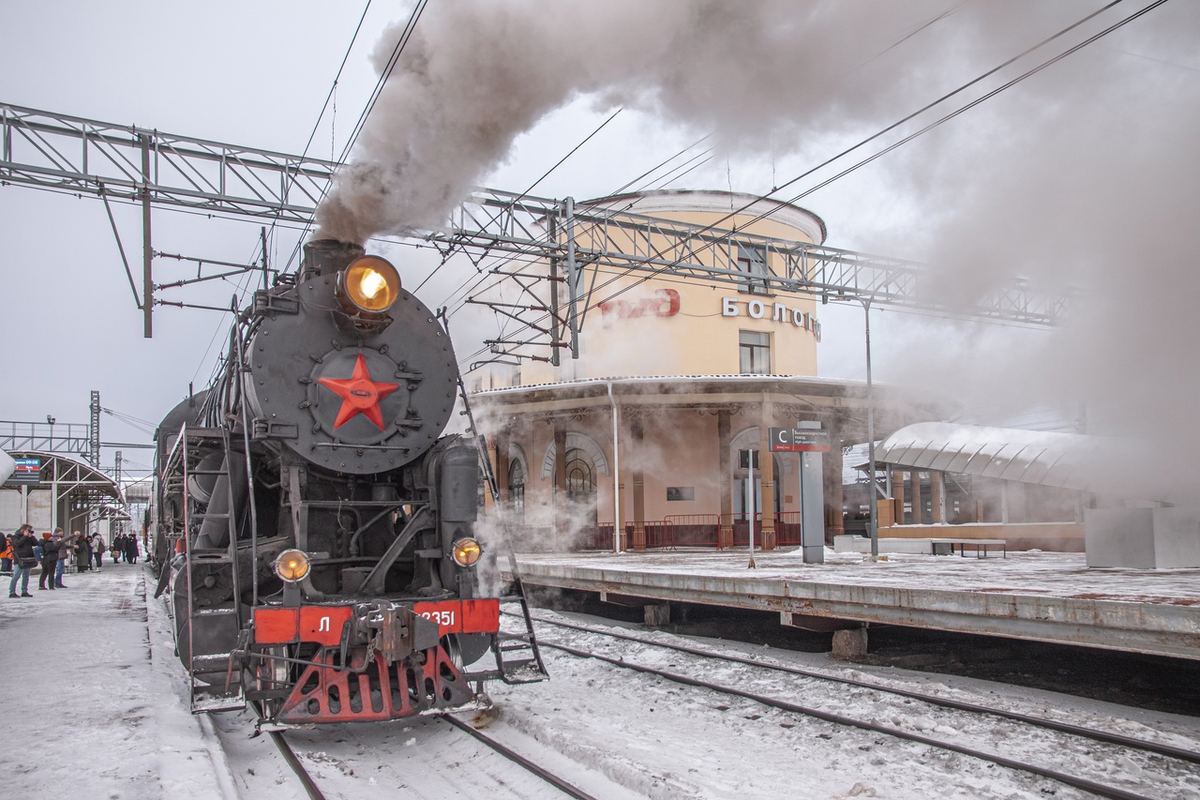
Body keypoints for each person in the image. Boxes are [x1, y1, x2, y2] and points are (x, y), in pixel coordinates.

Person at [8, 525, 37, 597]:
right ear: (23, 530)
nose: (29, 532)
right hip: (19, 559)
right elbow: (17, 544)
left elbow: (36, 543)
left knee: (26, 576)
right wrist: (24, 536)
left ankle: (24, 591)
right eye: (28, 530)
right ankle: (12, 592)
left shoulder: (28, 537)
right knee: (16, 575)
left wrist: (31, 537)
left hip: (28, 559)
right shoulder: (15, 537)